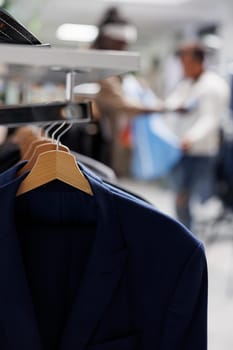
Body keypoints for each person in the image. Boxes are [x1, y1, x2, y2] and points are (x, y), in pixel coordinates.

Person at [164, 42, 230, 229]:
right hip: (181, 149)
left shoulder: (213, 85)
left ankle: (190, 236)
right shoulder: (186, 83)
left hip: (200, 151)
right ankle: (185, 232)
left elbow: (210, 119)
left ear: (198, 62)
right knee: (180, 196)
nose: (183, 67)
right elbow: (172, 104)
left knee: (192, 197)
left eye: (186, 62)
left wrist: (190, 138)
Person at [90, 7, 161, 176]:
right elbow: (119, 101)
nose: (123, 47)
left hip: (109, 133)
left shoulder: (113, 65)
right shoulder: (94, 62)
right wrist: (157, 108)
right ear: (107, 38)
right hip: (94, 134)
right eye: (120, 43)